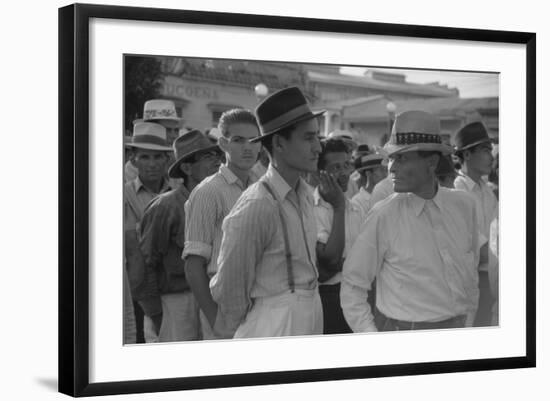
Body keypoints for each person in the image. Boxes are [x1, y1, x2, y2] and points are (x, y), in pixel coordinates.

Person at [341, 110, 480, 332]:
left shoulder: (464, 205)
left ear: (432, 162)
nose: (391, 167)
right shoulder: (384, 214)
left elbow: (470, 273)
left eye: (402, 158)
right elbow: (352, 286)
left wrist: (469, 324)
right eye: (392, 158)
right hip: (404, 335)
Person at [210, 86, 324, 338]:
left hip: (309, 317)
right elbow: (230, 291)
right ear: (279, 143)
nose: (318, 147)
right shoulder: (258, 204)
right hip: (271, 326)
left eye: (318, 137)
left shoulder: (305, 194)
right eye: (308, 138)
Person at [182, 109, 261, 340]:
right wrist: (215, 318)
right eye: (238, 140)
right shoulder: (209, 191)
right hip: (224, 305)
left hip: (260, 303)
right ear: (224, 144)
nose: (248, 147)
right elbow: (193, 265)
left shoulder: (261, 188)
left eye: (254, 140)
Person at [137, 130, 222, 342]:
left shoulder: (220, 200)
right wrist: (156, 314)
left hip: (212, 298)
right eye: (207, 157)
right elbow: (145, 264)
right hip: (175, 303)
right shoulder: (165, 207)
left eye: (216, 155)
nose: (216, 162)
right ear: (186, 168)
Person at [123, 122, 173, 343]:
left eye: (157, 157)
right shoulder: (122, 195)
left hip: (175, 290)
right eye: (145, 157)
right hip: (137, 291)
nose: (152, 164)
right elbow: (131, 251)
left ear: (167, 160)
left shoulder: (180, 193)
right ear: (134, 160)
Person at [314, 138, 365, 334]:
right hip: (328, 300)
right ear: (320, 173)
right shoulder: (310, 208)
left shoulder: (356, 208)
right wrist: (338, 207)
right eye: (336, 167)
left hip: (356, 297)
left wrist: (343, 263)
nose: (344, 173)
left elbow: (365, 260)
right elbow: (327, 267)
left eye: (346, 165)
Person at [454, 121, 498, 327]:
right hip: (470, 280)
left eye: (491, 150)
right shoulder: (457, 191)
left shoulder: (487, 190)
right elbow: (477, 247)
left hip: (491, 275)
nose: (492, 157)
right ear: (467, 155)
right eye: (485, 150)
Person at [125, 99, 184, 183]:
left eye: (176, 130)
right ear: (151, 127)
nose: (174, 135)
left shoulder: (177, 160)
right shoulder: (132, 169)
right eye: (168, 130)